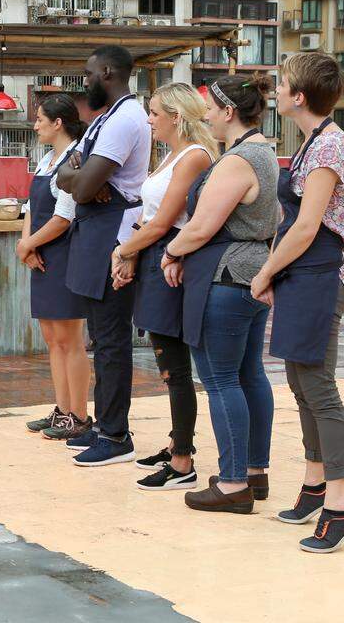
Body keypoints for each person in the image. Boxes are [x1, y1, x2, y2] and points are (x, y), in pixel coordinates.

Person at [250, 53, 344, 551]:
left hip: (320, 275)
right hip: (302, 272)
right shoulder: (312, 143)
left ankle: (340, 505)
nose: (275, 91)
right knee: (300, 381)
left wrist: (266, 270)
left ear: (299, 97)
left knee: (318, 387)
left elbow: (306, 225)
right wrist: (278, 269)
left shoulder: (329, 148)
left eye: (281, 85)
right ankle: (316, 484)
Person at [161, 74, 278, 515]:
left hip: (226, 276)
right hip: (252, 274)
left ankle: (231, 485)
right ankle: (253, 471)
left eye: (211, 108)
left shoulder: (236, 161)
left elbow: (203, 225)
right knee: (250, 374)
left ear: (229, 112)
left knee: (220, 379)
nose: (205, 115)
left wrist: (170, 252)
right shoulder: (266, 154)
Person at [109, 83, 215, 491]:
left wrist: (122, 252)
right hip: (154, 256)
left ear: (177, 115)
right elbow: (147, 215)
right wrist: (131, 254)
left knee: (174, 366)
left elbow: (163, 221)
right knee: (165, 360)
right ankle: (176, 442)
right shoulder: (171, 155)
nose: (148, 120)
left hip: (172, 260)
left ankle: (182, 460)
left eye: (154, 112)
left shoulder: (193, 156)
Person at [55, 45, 151, 466]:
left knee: (111, 341)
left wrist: (75, 175)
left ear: (107, 72)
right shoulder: (107, 118)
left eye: (88, 72)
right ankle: (103, 424)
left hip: (112, 230)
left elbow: (79, 183)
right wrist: (74, 174)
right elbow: (68, 174)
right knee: (100, 337)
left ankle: (115, 435)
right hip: (94, 227)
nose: (84, 79)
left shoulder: (126, 119)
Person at [16, 94, 92, 442]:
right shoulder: (47, 159)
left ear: (58, 123)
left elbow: (64, 217)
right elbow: (31, 207)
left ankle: (79, 415)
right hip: (41, 255)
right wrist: (26, 243)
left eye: (40, 119)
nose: (35, 125)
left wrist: (30, 244)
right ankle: (61, 409)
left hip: (64, 253)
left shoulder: (75, 158)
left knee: (69, 338)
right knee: (51, 337)